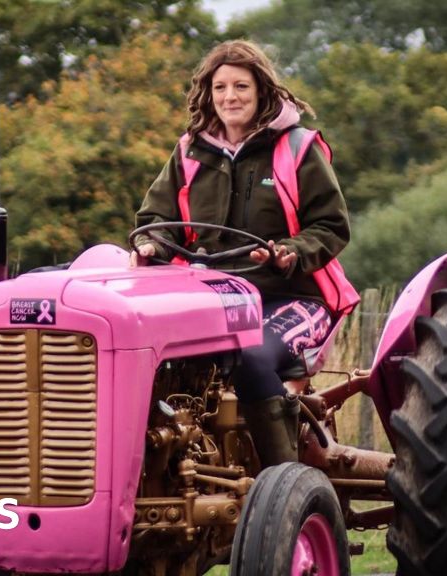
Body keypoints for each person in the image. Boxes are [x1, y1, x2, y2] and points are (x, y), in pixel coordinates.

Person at [130, 40, 352, 468]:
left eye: (241, 87)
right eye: (220, 88)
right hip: (211, 299)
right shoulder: (190, 151)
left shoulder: (298, 149)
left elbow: (331, 226)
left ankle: (283, 479)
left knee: (247, 355)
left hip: (291, 298)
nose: (230, 97)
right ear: (208, 94)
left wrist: (290, 252)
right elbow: (156, 215)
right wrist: (150, 242)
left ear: (262, 91)